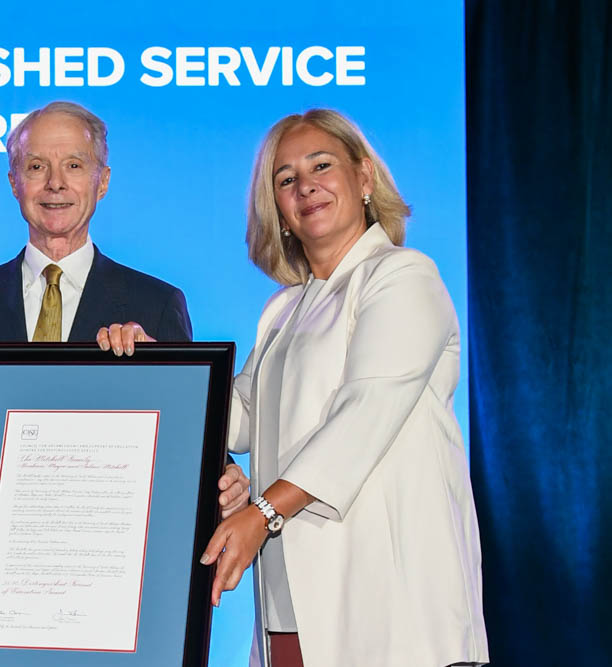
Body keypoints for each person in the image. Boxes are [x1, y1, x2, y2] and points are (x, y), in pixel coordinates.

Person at [200, 109, 489, 667]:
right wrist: (150, 359)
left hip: (391, 608)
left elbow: (365, 413)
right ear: (278, 210)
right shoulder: (282, 311)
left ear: (364, 180)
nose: (304, 185)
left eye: (321, 166)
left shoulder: (404, 275)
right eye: (285, 179)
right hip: (290, 607)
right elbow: (233, 418)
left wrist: (260, 513)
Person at [0, 100, 249, 527]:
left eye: (74, 165)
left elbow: (194, 433)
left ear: (102, 181)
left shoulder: (155, 305)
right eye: (36, 167)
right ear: (14, 182)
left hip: (108, 554)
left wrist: (228, 481)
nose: (55, 184)